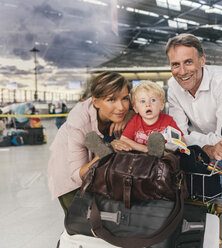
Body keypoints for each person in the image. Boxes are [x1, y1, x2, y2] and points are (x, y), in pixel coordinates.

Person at [165, 33, 222, 247]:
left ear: (202, 60)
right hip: (208, 151)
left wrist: (195, 140)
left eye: (188, 62)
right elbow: (178, 134)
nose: (182, 71)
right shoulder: (173, 86)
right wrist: (206, 146)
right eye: (175, 64)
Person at [47, 72, 135, 214]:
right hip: (69, 173)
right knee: (80, 224)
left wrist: (130, 114)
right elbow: (77, 175)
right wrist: (103, 153)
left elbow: (146, 105)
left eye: (125, 98)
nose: (121, 107)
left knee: (108, 223)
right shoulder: (78, 122)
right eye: (111, 100)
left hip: (102, 174)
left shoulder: (128, 108)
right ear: (95, 101)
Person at [120, 81, 183, 157]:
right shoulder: (135, 121)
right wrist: (147, 149)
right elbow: (124, 140)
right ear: (135, 108)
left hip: (163, 159)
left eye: (153, 100)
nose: (148, 104)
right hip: (141, 158)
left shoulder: (168, 120)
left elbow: (181, 139)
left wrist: (169, 148)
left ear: (162, 105)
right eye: (142, 101)